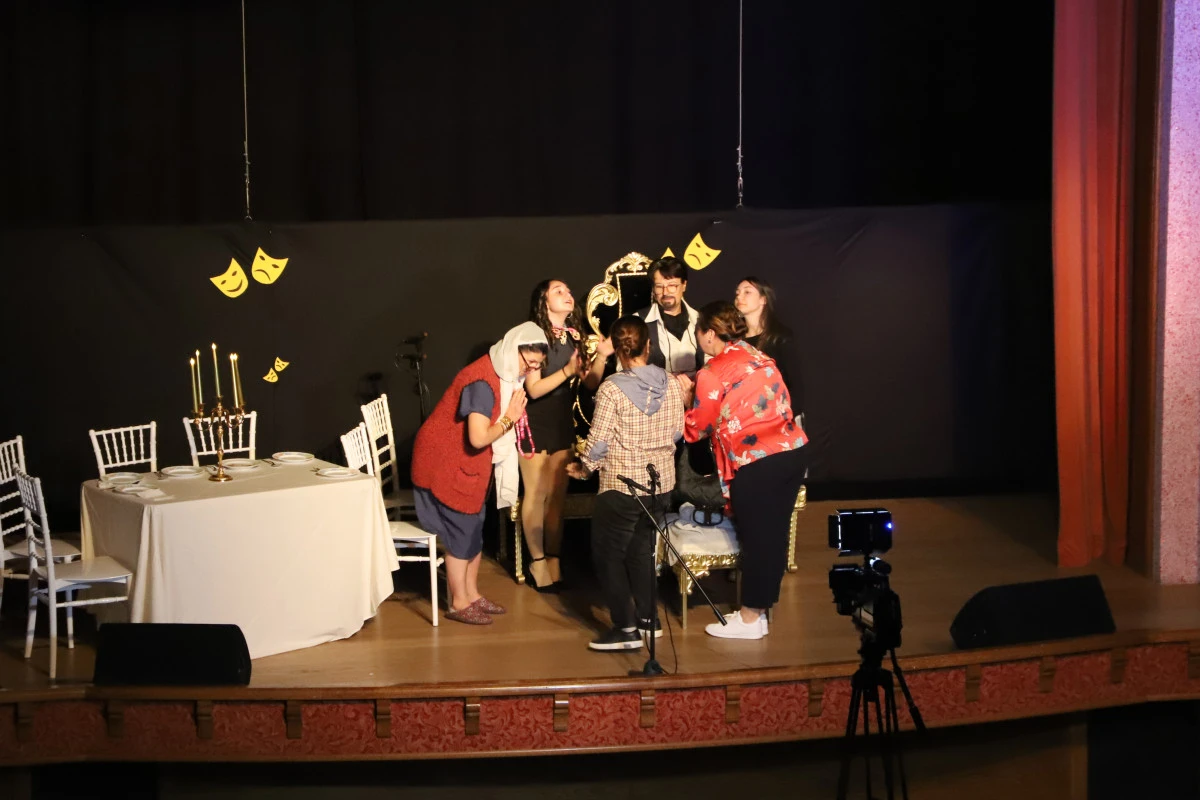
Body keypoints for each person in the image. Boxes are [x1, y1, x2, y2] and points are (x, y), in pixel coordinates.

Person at [684, 301, 809, 640]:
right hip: (792, 452)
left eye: (698, 330)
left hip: (759, 461)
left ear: (710, 334)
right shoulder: (755, 354)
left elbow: (698, 427)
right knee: (774, 537)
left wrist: (687, 399)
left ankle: (750, 619)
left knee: (757, 540)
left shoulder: (712, 372)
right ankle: (760, 613)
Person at [411, 322, 549, 625]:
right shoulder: (482, 382)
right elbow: (477, 437)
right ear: (514, 351)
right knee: (460, 532)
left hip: (470, 463)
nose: (530, 371)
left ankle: (472, 595)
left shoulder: (503, 374)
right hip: (444, 463)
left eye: (537, 366)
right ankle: (458, 602)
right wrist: (510, 419)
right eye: (529, 363)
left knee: (475, 528)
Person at [567, 316, 688, 651]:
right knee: (641, 551)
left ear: (618, 350)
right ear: (648, 345)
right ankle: (649, 620)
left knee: (609, 555)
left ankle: (625, 627)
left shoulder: (611, 388)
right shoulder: (672, 382)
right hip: (661, 486)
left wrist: (584, 468)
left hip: (623, 486)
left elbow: (598, 442)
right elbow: (678, 432)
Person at [520, 279, 587, 590]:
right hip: (534, 420)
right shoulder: (534, 335)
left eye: (568, 290)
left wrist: (600, 357)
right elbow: (533, 389)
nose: (567, 294)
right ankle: (536, 562)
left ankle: (553, 559)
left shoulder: (574, 336)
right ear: (544, 301)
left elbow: (588, 382)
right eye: (559, 291)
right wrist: (567, 371)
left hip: (562, 418)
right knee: (536, 493)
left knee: (558, 495)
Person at [734, 276, 805, 414]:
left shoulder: (780, 337)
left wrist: (784, 417)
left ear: (763, 299)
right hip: (745, 417)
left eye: (747, 292)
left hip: (777, 416)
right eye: (737, 293)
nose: (739, 297)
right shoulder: (734, 340)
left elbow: (796, 387)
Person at [634, 257, 701, 377]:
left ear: (684, 285)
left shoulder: (700, 320)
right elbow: (626, 371)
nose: (665, 293)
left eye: (672, 285)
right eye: (659, 286)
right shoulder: (638, 322)